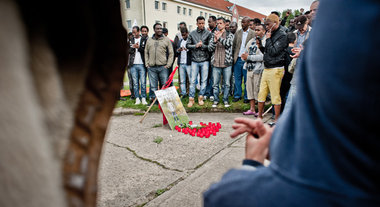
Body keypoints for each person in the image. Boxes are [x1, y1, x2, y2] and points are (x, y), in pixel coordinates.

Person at [204, 0, 380, 206]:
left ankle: (277, 118)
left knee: (280, 98)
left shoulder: (237, 197)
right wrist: (283, 147)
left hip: (274, 70)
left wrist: (252, 163)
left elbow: (223, 196)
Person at [257, 14, 288, 122]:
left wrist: (268, 39)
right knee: (261, 93)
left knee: (275, 95)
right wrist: (261, 46)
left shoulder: (282, 35)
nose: (266, 27)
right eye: (265, 24)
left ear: (275, 23)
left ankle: (276, 120)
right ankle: (259, 116)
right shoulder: (271, 33)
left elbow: (274, 51)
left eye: (268, 24)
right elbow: (267, 52)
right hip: (267, 67)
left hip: (276, 68)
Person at [208, 17, 234, 108]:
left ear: (224, 24)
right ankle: (216, 100)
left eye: (220, 23)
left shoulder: (229, 34)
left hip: (226, 63)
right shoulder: (213, 34)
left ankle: (225, 100)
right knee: (215, 84)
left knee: (227, 84)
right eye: (217, 23)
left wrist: (219, 38)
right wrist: (215, 41)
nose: (218, 25)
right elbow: (210, 48)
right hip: (216, 63)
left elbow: (228, 44)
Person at [186, 16, 212, 107]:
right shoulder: (192, 33)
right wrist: (195, 45)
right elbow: (187, 45)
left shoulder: (208, 33)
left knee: (204, 80)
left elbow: (210, 47)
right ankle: (191, 99)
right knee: (192, 80)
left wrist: (203, 45)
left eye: (203, 23)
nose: (201, 25)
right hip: (194, 60)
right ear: (196, 23)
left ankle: (201, 97)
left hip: (205, 60)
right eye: (199, 23)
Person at [145, 23, 174, 101]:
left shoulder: (166, 40)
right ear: (154, 30)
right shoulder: (149, 40)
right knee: (153, 86)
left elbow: (171, 53)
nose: (159, 30)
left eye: (160, 28)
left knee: (164, 85)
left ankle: (164, 102)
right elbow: (146, 52)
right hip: (151, 67)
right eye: (157, 28)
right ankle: (154, 102)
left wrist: (168, 65)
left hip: (163, 67)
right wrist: (147, 63)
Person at [242, 24, 266, 117]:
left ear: (264, 31)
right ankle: (252, 109)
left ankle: (260, 110)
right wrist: (245, 56)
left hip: (259, 68)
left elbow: (263, 56)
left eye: (259, 30)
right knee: (250, 89)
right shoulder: (251, 40)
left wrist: (249, 57)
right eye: (255, 30)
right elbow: (246, 51)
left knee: (258, 90)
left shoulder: (265, 41)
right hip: (249, 67)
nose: (256, 32)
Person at [232, 17, 255, 103]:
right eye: (242, 22)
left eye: (244, 22)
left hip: (247, 60)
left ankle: (246, 97)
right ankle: (237, 95)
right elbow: (234, 46)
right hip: (237, 59)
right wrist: (233, 57)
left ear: (249, 23)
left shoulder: (253, 33)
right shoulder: (238, 33)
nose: (242, 24)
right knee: (237, 79)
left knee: (246, 80)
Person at [128, 26, 148, 105]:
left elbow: (145, 51)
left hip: (142, 64)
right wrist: (133, 47)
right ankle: (137, 98)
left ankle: (143, 98)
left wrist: (138, 47)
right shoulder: (131, 40)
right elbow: (128, 50)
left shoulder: (144, 39)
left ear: (139, 31)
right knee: (135, 83)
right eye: (133, 32)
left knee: (143, 82)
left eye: (135, 32)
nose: (134, 34)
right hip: (133, 64)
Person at [204, 15, 217, 102]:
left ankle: (211, 93)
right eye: (208, 22)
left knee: (212, 77)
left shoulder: (216, 32)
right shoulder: (208, 32)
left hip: (213, 58)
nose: (208, 24)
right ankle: (206, 93)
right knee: (206, 77)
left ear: (214, 22)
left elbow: (212, 46)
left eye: (210, 22)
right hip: (206, 58)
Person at [176, 27, 192, 98]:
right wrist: (178, 50)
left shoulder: (190, 41)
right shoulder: (180, 41)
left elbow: (193, 51)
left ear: (187, 33)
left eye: (185, 35)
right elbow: (176, 51)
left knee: (190, 80)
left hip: (188, 63)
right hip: (181, 63)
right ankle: (183, 93)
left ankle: (191, 93)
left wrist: (187, 49)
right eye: (182, 35)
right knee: (182, 80)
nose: (183, 36)